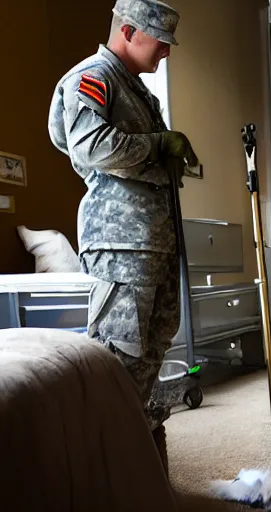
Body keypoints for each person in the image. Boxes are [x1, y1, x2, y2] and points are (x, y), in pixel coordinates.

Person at [47, 0, 198, 474]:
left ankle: (140, 464)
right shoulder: (93, 75)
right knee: (118, 355)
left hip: (154, 240)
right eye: (161, 43)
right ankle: (103, 473)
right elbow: (87, 145)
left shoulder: (136, 90)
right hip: (120, 242)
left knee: (150, 351)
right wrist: (156, 144)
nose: (166, 54)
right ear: (129, 31)